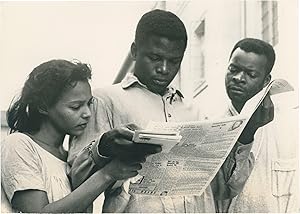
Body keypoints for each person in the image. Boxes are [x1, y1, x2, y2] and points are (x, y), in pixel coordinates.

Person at [68, 10, 274, 213]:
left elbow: (224, 189)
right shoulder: (105, 101)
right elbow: (75, 182)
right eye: (155, 58)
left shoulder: (194, 113)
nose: (164, 69)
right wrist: (102, 148)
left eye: (174, 61)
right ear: (134, 50)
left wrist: (246, 136)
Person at [1, 59, 158, 213]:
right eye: (75, 107)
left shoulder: (70, 157)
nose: (87, 114)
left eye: (89, 104)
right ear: (43, 107)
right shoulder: (18, 145)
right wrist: (107, 174)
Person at [214, 38, 299, 212]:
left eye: (250, 74)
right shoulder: (213, 128)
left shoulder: (289, 127)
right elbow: (221, 193)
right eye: (233, 69)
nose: (238, 78)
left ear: (266, 81)